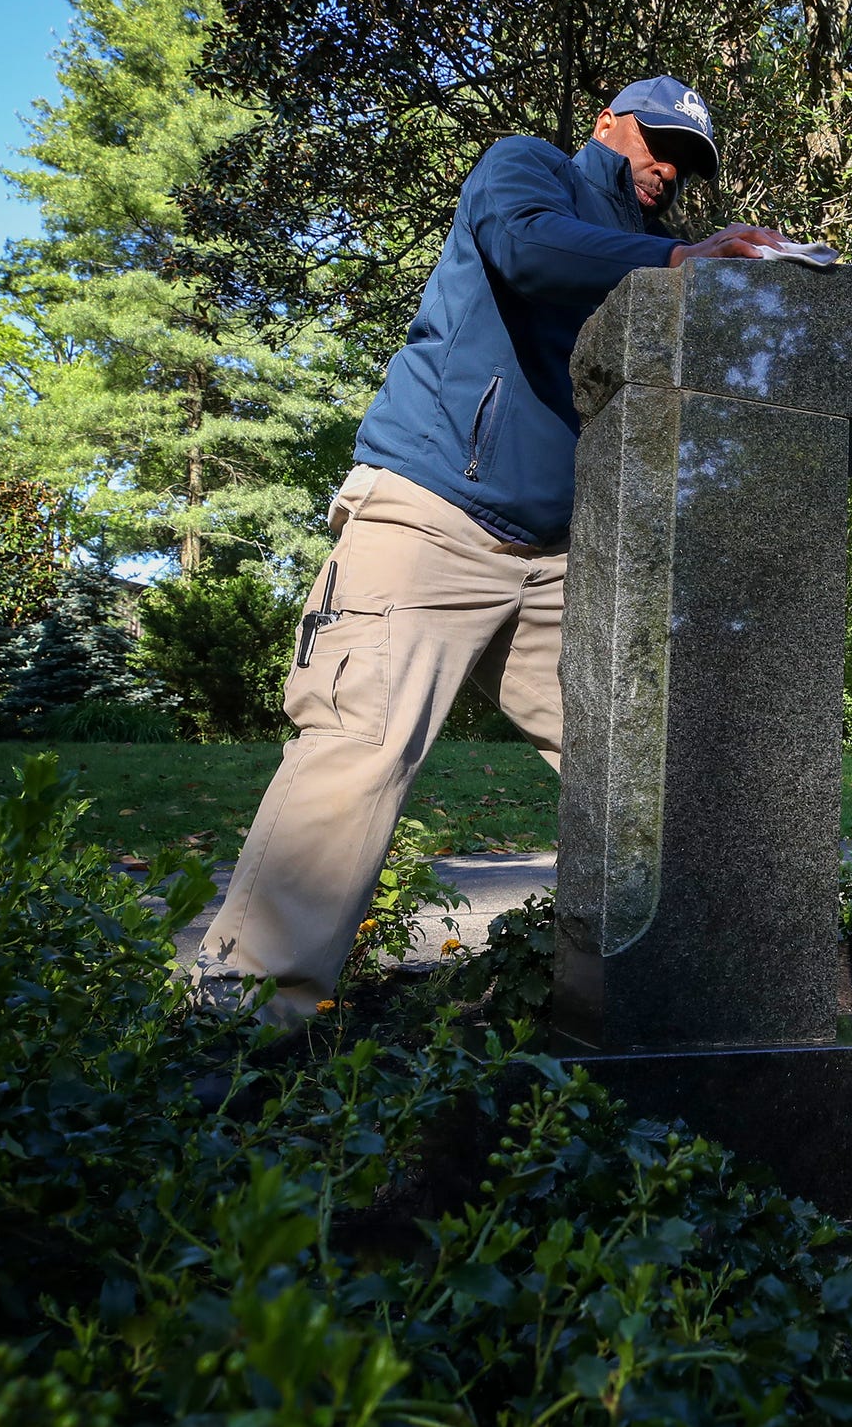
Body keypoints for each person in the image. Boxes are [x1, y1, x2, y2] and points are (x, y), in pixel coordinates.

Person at [195, 76, 796, 1024]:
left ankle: (685, 992)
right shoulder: (530, 171)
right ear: (607, 124)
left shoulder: (657, 260)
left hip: (556, 559)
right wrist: (680, 257)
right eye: (658, 142)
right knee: (359, 747)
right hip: (429, 514)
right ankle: (242, 1023)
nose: (669, 169)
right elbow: (525, 248)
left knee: (640, 755)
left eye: (688, 163)